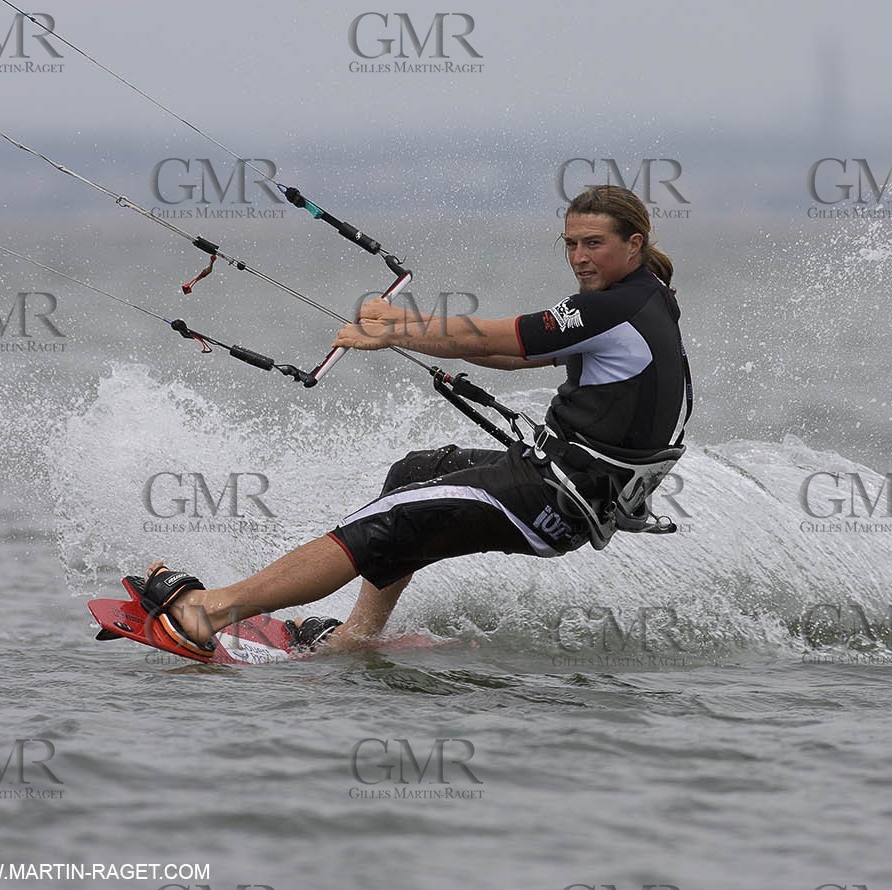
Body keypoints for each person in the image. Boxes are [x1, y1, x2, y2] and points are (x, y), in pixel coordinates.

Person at [136, 184, 692, 657]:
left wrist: (395, 324)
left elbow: (499, 335)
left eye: (594, 244)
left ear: (634, 244)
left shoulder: (609, 309)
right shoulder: (647, 299)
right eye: (571, 244)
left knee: (384, 521)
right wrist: (403, 332)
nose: (579, 257)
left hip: (558, 496)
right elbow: (509, 355)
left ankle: (209, 611)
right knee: (414, 474)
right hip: (569, 486)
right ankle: (357, 637)